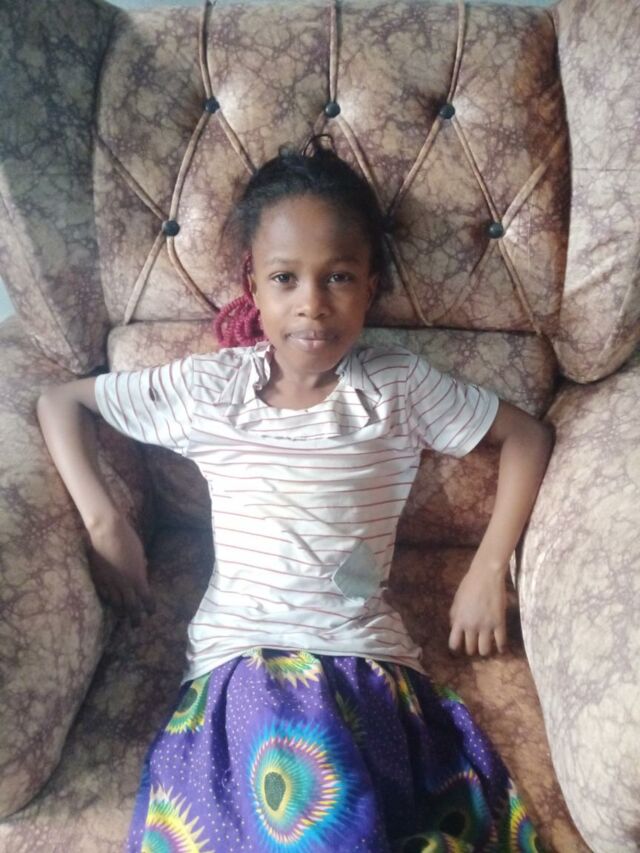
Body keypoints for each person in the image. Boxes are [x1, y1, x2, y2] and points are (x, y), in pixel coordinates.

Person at [37, 137, 554, 853]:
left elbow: (526, 436)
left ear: (371, 284)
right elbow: (61, 402)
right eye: (285, 278)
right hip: (243, 661)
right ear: (253, 285)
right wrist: (104, 523)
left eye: (338, 276)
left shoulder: (397, 384)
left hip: (364, 662)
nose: (312, 304)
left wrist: (487, 568)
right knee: (302, 810)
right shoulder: (210, 389)